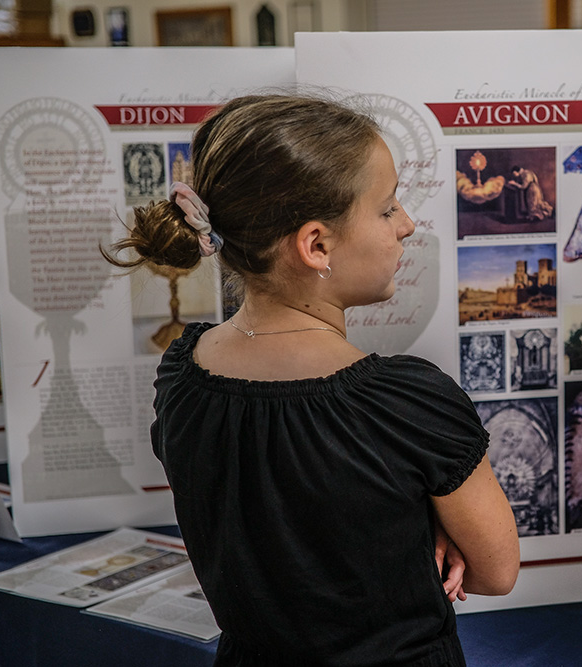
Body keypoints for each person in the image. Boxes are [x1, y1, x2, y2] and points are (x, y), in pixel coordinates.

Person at [103, 93, 520, 666]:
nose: (406, 224)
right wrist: (426, 524)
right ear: (316, 244)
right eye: (387, 207)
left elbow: (268, 527)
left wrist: (409, 517)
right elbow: (497, 573)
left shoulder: (181, 376)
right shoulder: (408, 403)